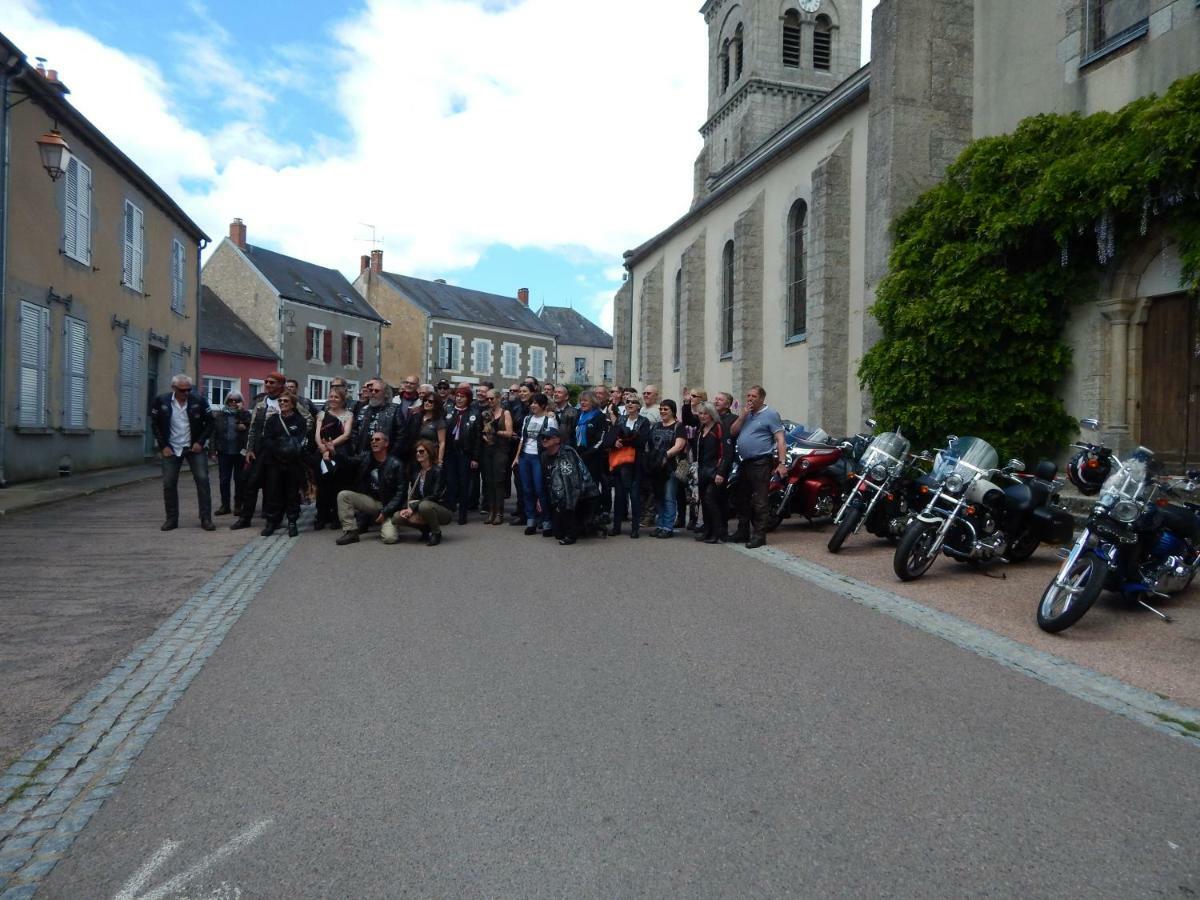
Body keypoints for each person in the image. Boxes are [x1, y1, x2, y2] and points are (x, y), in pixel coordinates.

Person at [236, 371, 314, 530]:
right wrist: (249, 448)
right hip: (262, 448)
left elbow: (308, 420)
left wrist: (294, 440)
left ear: (280, 385)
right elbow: (253, 428)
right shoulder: (260, 403)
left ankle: (275, 518)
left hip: (283, 451)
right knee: (250, 482)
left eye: (272, 382)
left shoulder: (290, 401)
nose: (268, 385)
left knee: (277, 486)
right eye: (266, 382)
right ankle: (245, 518)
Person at [150, 374, 215, 531]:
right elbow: (155, 425)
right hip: (171, 448)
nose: (186, 393)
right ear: (174, 388)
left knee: (203, 481)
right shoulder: (162, 401)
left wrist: (200, 442)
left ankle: (206, 519)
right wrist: (163, 446)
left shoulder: (199, 400)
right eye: (182, 390)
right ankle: (171, 519)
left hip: (193, 447)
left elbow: (211, 422)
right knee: (169, 483)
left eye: (188, 390)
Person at [730, 385, 788, 549]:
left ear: (762, 398)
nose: (749, 399)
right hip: (745, 461)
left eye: (753, 396)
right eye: (748, 396)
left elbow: (780, 440)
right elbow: (733, 432)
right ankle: (743, 531)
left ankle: (759, 535)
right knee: (742, 497)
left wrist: (782, 464)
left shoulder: (770, 414)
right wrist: (742, 417)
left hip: (761, 461)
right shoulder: (746, 415)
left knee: (760, 500)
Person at [334, 431, 408, 545]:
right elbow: (348, 462)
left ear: (386, 443)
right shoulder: (366, 457)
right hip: (372, 502)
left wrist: (385, 512)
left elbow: (401, 494)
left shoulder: (396, 464)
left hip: (390, 506)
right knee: (344, 495)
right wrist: (334, 452)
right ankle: (351, 532)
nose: (373, 442)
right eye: (372, 440)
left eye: (378, 439)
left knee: (389, 538)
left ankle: (391, 524)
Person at [259, 391, 310, 537]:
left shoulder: (299, 420)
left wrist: (287, 449)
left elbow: (300, 440)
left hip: (292, 463)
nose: (282, 403)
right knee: (273, 492)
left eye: (286, 401)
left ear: (293, 404)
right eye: (280, 401)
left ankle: (292, 521)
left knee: (292, 493)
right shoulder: (273, 420)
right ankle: (272, 522)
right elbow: (267, 439)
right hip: (274, 462)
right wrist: (278, 449)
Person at [539, 426, 599, 545]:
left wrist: (565, 507)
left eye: (548, 437)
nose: (544, 440)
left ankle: (583, 526)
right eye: (542, 437)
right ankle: (577, 525)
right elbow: (547, 481)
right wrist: (540, 500)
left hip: (583, 495)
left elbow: (572, 484)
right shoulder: (544, 456)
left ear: (557, 440)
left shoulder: (567, 454)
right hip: (562, 493)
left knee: (568, 513)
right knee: (558, 533)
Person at [511, 392, 556, 535]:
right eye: (531, 403)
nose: (533, 405)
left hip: (539, 458)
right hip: (525, 456)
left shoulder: (549, 420)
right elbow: (523, 439)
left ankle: (546, 520)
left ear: (543, 405)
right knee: (527, 489)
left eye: (536, 403)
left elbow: (554, 441)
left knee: (540, 489)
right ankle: (531, 519)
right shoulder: (527, 419)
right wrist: (517, 457)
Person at [606, 393, 650, 538]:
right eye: (627, 402)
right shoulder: (621, 419)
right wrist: (615, 442)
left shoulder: (644, 421)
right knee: (619, 496)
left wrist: (624, 440)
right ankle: (617, 526)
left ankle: (635, 528)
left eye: (633, 402)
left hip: (635, 463)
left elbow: (641, 441)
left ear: (639, 406)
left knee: (634, 495)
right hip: (620, 462)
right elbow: (611, 437)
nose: (630, 404)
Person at [646, 400, 688, 538]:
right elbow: (650, 444)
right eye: (661, 409)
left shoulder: (678, 426)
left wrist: (665, 456)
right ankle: (660, 524)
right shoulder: (656, 425)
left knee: (669, 497)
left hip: (671, 467)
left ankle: (667, 527)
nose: (663, 411)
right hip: (656, 468)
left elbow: (680, 445)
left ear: (673, 411)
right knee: (658, 497)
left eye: (666, 409)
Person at [314, 386, 355, 530]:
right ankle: (321, 516)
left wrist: (331, 447)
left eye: (336, 397)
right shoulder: (321, 414)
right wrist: (322, 447)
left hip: (339, 452)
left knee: (337, 485)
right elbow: (317, 434)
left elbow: (346, 434)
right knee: (322, 485)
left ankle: (336, 517)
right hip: (322, 452)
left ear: (343, 400)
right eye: (331, 396)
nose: (333, 399)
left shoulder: (348, 415)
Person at [397, 439, 452, 546]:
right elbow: (414, 495)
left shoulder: (438, 471)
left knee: (424, 506)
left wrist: (413, 507)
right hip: (422, 505)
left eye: (422, 451)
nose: (418, 453)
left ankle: (436, 533)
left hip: (441, 509)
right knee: (397, 517)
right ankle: (425, 530)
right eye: (417, 452)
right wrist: (407, 508)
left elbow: (435, 496)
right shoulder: (417, 473)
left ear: (429, 453)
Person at [694, 401, 731, 543]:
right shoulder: (701, 429)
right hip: (703, 471)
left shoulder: (719, 428)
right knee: (704, 501)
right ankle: (708, 530)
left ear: (712, 415)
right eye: (700, 413)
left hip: (716, 472)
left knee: (711, 500)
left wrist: (721, 472)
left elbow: (726, 453)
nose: (702, 416)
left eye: (705, 413)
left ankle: (718, 532)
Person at [444, 385, 481, 525]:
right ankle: (451, 508)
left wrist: (475, 457)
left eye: (462, 397)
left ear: (468, 399)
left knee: (464, 483)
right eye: (457, 396)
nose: (459, 399)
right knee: (451, 482)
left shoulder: (474, 413)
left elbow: (477, 437)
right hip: (450, 452)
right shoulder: (448, 411)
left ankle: (463, 513)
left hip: (465, 452)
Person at [211, 391, 250, 517]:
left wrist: (243, 423)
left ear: (241, 402)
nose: (233, 402)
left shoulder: (245, 414)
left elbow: (252, 431)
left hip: (240, 452)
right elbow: (214, 434)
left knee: (239, 480)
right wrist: (212, 450)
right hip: (224, 451)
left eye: (237, 400)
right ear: (226, 401)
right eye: (231, 400)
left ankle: (238, 505)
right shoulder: (220, 415)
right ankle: (225, 505)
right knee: (224, 480)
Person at [479, 388, 515, 524]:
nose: (489, 401)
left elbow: (509, 433)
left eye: (491, 398)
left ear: (498, 398)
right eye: (487, 399)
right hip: (488, 449)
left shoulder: (505, 413)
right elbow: (483, 430)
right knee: (488, 482)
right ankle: (491, 511)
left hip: (501, 449)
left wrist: (496, 431)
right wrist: (485, 436)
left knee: (499, 482)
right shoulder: (486, 413)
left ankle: (499, 513)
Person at [574, 390, 610, 520]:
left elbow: (600, 440)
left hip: (593, 457)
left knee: (593, 486)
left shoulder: (599, 417)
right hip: (578, 455)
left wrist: (587, 454)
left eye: (586, 400)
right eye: (581, 400)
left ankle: (595, 514)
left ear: (593, 402)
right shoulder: (579, 415)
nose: (582, 403)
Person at [414, 393, 447, 467]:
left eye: (430, 401)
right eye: (425, 400)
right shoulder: (418, 417)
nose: (427, 403)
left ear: (436, 404)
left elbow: (442, 442)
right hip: (417, 454)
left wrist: (440, 460)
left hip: (431, 456)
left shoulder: (439, 421)